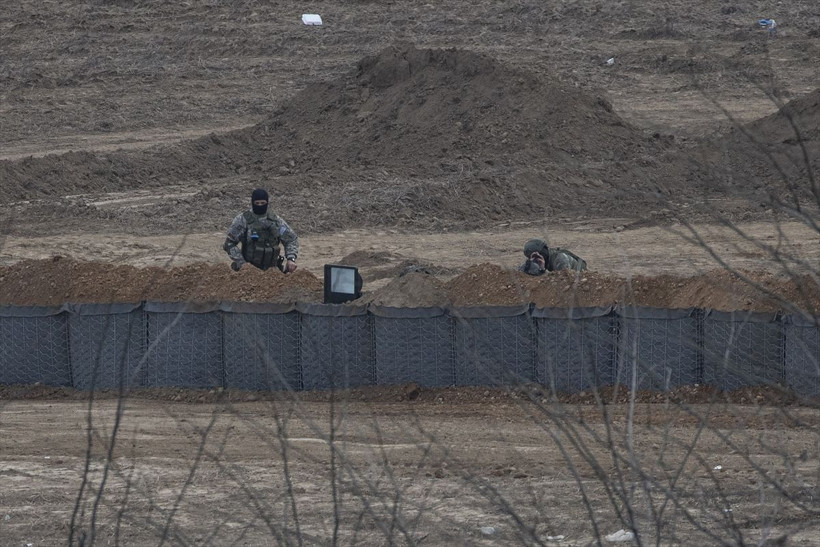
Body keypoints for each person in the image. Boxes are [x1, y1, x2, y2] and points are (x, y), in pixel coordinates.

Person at [223, 188, 299, 273]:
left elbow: (291, 239)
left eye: (263, 203)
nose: (260, 205)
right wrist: (243, 264)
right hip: (249, 270)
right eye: (257, 203)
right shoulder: (243, 220)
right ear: (252, 203)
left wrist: (291, 258)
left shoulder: (275, 221)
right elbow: (229, 243)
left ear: (267, 203)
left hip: (272, 271)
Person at [519, 238, 587, 275]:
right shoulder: (537, 261)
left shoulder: (560, 259)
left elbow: (562, 281)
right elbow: (520, 273)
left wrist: (542, 271)